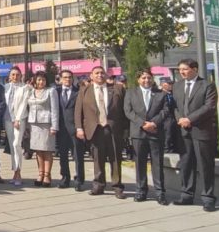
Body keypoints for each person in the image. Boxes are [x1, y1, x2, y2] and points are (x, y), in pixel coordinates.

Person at [172, 58, 218, 211]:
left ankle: (208, 198)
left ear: (195, 69)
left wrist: (190, 119)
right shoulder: (177, 86)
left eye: (185, 69)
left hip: (201, 131)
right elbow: (175, 106)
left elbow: (209, 107)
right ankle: (186, 194)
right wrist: (180, 119)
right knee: (186, 164)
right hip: (183, 132)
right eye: (180, 70)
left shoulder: (207, 85)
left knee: (205, 165)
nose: (182, 72)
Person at [74, 65, 127, 198]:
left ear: (106, 75)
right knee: (98, 158)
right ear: (91, 76)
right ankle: (98, 185)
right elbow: (78, 111)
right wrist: (79, 128)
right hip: (95, 129)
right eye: (96, 73)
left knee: (115, 158)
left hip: (113, 129)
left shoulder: (117, 89)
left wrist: (126, 130)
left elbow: (124, 110)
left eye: (102, 73)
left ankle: (117, 186)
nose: (99, 75)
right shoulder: (85, 90)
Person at [124, 70, 168, 204]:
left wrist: (154, 123)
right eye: (143, 78)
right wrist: (142, 123)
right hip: (138, 133)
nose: (146, 80)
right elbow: (128, 111)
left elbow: (165, 110)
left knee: (157, 163)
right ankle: (141, 190)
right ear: (138, 79)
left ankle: (160, 193)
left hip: (155, 131)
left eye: (149, 78)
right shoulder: (131, 93)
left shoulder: (161, 94)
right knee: (140, 163)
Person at [25, 71, 59, 187]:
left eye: (43, 80)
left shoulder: (51, 91)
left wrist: (54, 126)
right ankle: (40, 173)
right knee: (38, 150)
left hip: (47, 124)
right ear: (35, 80)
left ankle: (47, 175)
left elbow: (55, 110)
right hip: (34, 124)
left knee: (47, 150)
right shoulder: (31, 91)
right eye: (39, 79)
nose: (41, 82)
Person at [55, 69, 85, 190]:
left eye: (70, 77)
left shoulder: (79, 92)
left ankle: (79, 180)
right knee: (62, 156)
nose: (68, 79)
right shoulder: (55, 92)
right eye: (65, 77)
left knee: (78, 155)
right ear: (61, 79)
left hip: (75, 128)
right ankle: (65, 178)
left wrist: (80, 127)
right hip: (61, 129)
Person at [4, 67, 29, 186]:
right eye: (13, 75)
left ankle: (19, 172)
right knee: (12, 146)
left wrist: (17, 119)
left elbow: (24, 104)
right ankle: (14, 171)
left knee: (17, 145)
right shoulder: (5, 87)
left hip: (19, 120)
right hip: (8, 120)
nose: (15, 77)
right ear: (9, 76)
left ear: (21, 76)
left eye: (17, 75)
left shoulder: (25, 88)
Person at [158, 76, 180, 153]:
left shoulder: (173, 94)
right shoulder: (159, 94)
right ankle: (167, 151)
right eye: (169, 83)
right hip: (165, 119)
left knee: (174, 136)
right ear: (163, 84)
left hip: (174, 118)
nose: (171, 85)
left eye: (171, 83)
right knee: (167, 137)